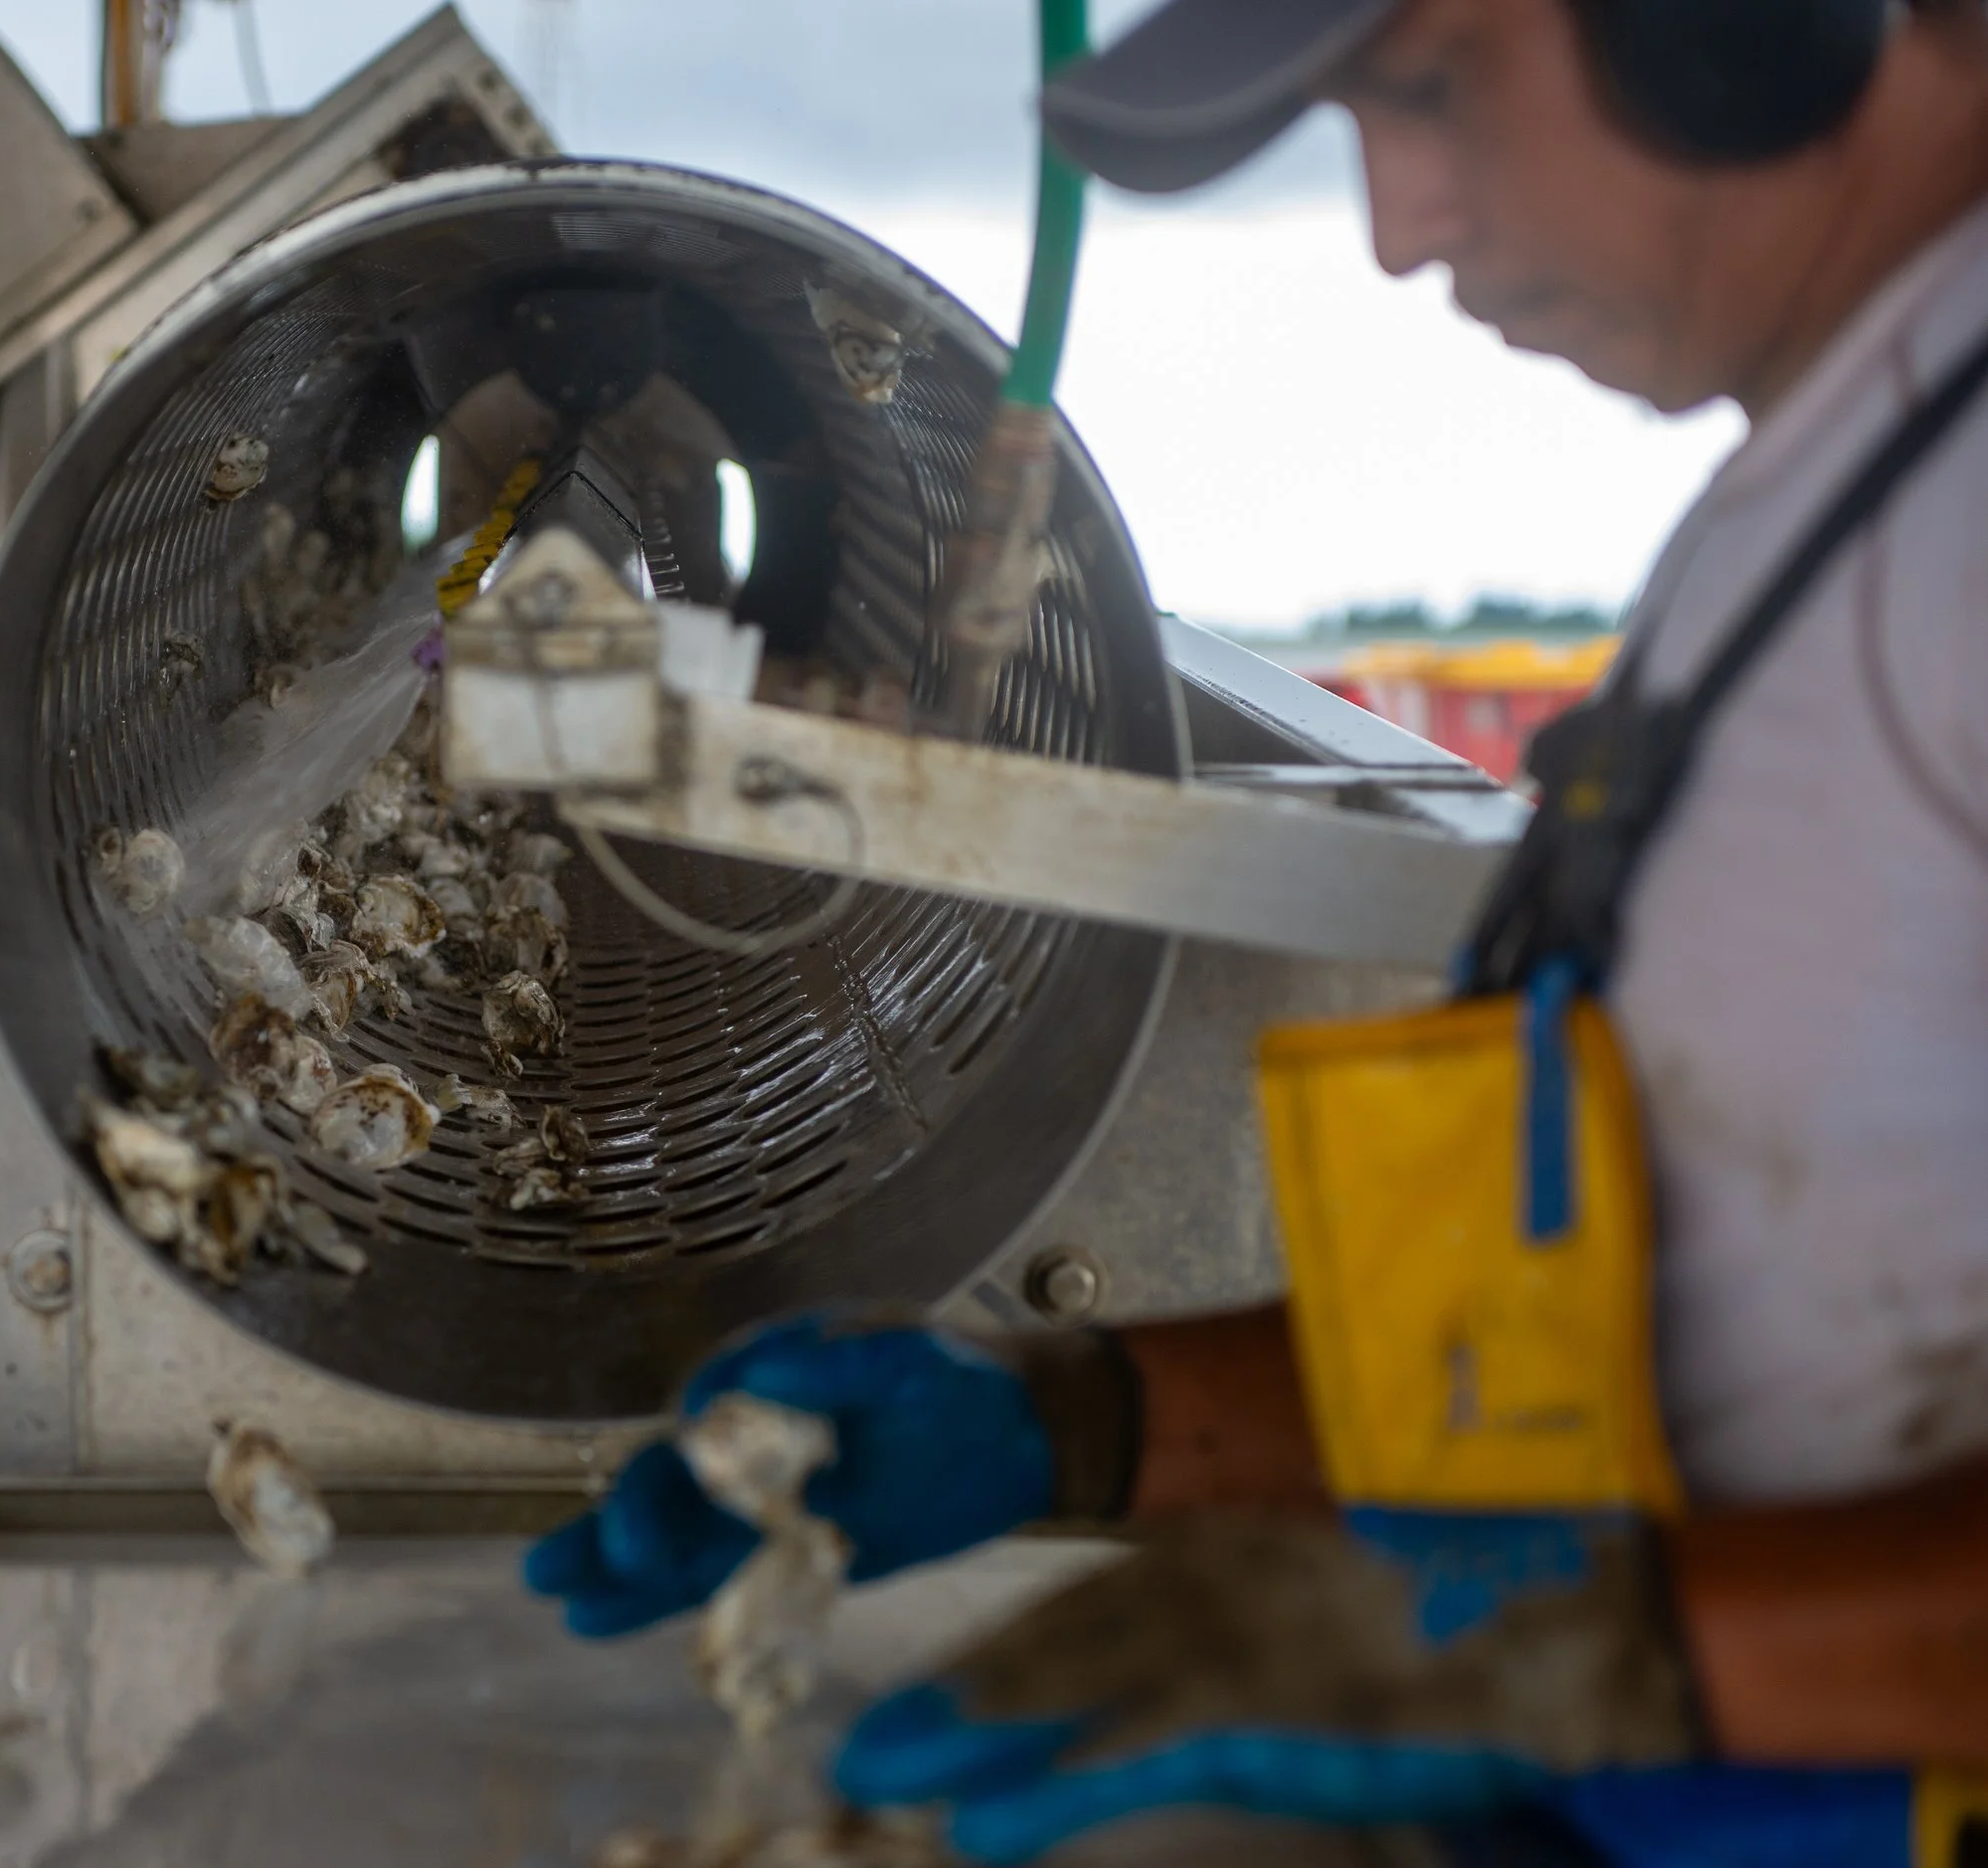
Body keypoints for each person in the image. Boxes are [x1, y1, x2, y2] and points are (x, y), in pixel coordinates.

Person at [529, 0, 1988, 1863]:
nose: (1399, 226)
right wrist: (1081, 1416)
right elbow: (1708, 1324)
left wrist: (1561, 1653)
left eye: (1436, 87)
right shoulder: (1831, 482)